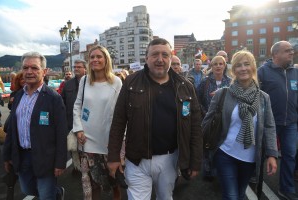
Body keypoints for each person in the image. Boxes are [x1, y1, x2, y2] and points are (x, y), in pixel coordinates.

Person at [107, 38, 202, 200]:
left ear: (170, 59)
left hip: (170, 159)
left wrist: (195, 161)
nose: (160, 59)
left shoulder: (185, 87)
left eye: (165, 55)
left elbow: (195, 127)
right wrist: (113, 156)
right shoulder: (131, 82)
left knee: (165, 197)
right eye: (155, 54)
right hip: (137, 160)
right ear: (146, 58)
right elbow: (118, 121)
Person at [203, 50, 278, 200]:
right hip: (225, 154)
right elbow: (206, 122)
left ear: (253, 67)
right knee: (231, 196)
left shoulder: (263, 98)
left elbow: (269, 126)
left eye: (247, 64)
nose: (243, 68)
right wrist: (200, 150)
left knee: (239, 193)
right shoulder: (222, 94)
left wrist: (272, 154)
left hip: (250, 158)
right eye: (238, 65)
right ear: (233, 70)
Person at [3, 51, 67, 200]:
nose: (29, 72)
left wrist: (60, 162)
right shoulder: (18, 96)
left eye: (34, 68)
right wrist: (7, 155)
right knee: (27, 189)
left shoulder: (53, 98)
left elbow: (61, 132)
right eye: (25, 68)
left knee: (45, 195)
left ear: (44, 72)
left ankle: (52, 194)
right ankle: (56, 193)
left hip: (46, 157)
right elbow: (12, 129)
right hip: (22, 155)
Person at [73, 45, 122, 199]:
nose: (95, 60)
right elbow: (77, 106)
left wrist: (118, 139)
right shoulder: (85, 80)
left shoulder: (117, 82)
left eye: (98, 56)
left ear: (106, 59)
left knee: (114, 182)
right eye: (92, 57)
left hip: (108, 140)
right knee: (92, 183)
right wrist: (78, 129)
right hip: (86, 139)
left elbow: (121, 114)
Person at [258, 41, 298, 200]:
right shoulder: (263, 72)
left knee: (290, 154)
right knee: (261, 154)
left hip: (291, 123)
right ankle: (254, 179)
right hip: (269, 123)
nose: (292, 53)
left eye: (292, 50)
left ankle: (286, 188)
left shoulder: (295, 72)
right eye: (287, 50)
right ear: (275, 55)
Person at [198, 55, 231, 180]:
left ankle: (221, 170)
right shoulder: (204, 82)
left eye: (220, 64)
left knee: (223, 146)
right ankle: (208, 169)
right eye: (215, 64)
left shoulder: (230, 82)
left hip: (225, 120)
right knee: (208, 145)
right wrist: (205, 113)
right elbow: (197, 99)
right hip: (208, 120)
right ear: (211, 66)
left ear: (224, 65)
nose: (218, 66)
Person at [61, 59, 87, 133]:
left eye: (79, 67)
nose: (76, 69)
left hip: (86, 123)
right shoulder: (67, 84)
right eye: (74, 67)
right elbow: (62, 103)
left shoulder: (90, 83)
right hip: (71, 123)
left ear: (85, 69)